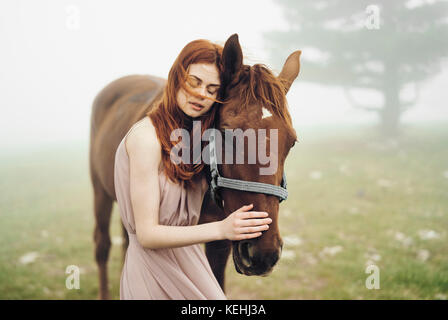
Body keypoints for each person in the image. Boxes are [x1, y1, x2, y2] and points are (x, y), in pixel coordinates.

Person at [113, 38, 272, 300]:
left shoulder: (198, 140)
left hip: (191, 264)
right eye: (194, 82)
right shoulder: (146, 139)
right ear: (176, 77)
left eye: (212, 89)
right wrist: (222, 229)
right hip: (152, 272)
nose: (201, 94)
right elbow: (147, 235)